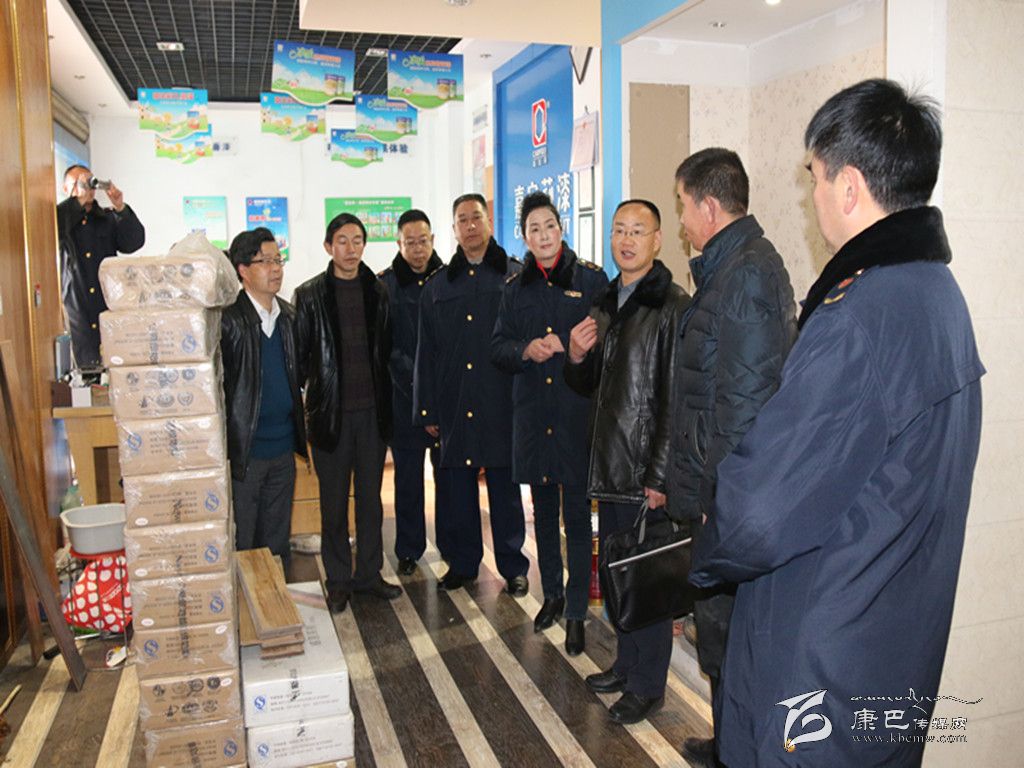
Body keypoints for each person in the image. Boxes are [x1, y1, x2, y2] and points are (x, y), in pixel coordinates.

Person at [689, 79, 985, 767]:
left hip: (820, 655)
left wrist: (706, 545)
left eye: (815, 177)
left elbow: (761, 511)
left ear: (849, 187)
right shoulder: (940, 297)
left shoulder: (859, 317)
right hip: (893, 639)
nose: (811, 195)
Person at [666, 149, 796, 768]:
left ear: (709, 207)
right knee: (718, 634)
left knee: (733, 637)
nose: (682, 220)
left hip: (728, 499)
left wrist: (716, 502)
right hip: (717, 492)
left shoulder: (746, 275)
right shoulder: (728, 269)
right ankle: (727, 745)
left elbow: (742, 410)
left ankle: (738, 753)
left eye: (683, 206)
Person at [565, 199, 690, 724]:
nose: (627, 240)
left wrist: (659, 476)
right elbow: (589, 386)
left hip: (643, 471)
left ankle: (647, 686)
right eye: (619, 230)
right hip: (610, 462)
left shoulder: (671, 306)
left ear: (658, 240)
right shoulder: (604, 300)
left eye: (638, 231)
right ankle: (626, 664)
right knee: (619, 570)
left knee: (645, 577)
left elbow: (675, 398)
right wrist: (576, 356)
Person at [491, 192, 608, 656]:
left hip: (574, 414)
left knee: (576, 516)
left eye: (550, 226)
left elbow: (605, 339)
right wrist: (525, 350)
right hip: (532, 415)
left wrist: (561, 342)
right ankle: (553, 596)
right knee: (541, 513)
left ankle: (576, 611)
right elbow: (497, 348)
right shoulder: (514, 288)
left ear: (562, 229)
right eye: (534, 229)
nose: (543, 235)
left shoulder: (590, 280)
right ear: (524, 237)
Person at [413, 193, 530, 595]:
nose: (470, 226)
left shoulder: (514, 276)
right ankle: (463, 564)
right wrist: (427, 408)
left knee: (505, 490)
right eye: (462, 220)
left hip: (502, 400)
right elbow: (425, 352)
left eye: (476, 218)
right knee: (458, 491)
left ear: (489, 222)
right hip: (455, 401)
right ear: (454, 229)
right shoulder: (439, 285)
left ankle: (513, 566)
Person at [293, 213, 401, 613]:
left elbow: (386, 352)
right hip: (331, 417)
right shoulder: (309, 296)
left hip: (371, 416)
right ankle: (338, 580)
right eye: (342, 240)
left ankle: (369, 574)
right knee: (334, 503)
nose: (350, 248)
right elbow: (300, 358)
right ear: (328, 246)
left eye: (357, 240)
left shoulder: (378, 291)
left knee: (371, 501)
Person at [221, 228, 307, 567]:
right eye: (266, 261)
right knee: (245, 541)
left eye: (278, 260)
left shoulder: (289, 317)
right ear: (243, 269)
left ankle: (276, 597)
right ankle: (247, 601)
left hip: (283, 449)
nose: (276, 269)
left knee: (277, 541)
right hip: (247, 453)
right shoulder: (229, 320)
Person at [378, 209, 449, 576]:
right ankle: (409, 549)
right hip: (403, 399)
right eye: (410, 243)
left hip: (445, 401)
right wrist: (418, 385)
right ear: (399, 244)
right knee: (407, 481)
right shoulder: (385, 286)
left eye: (423, 241)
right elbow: (386, 348)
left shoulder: (450, 279)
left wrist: (437, 392)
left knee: (450, 480)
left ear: (432, 240)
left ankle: (452, 546)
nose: (418, 249)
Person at [56, 164, 145, 368]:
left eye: (90, 182)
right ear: (66, 189)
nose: (87, 188)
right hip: (77, 309)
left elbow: (133, 242)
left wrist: (120, 207)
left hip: (106, 306)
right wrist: (78, 200)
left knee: (111, 364)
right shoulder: (62, 218)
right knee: (83, 365)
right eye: (80, 183)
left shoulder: (106, 218)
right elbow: (55, 226)